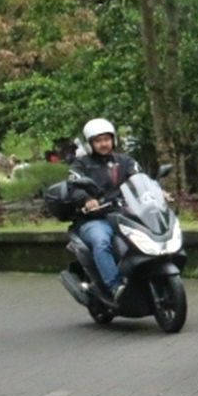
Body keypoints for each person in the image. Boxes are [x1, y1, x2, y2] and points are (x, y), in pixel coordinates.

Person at [67, 118, 141, 304]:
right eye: (98, 140)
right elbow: (74, 187)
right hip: (95, 219)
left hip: (124, 214)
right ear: (90, 143)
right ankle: (115, 286)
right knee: (101, 242)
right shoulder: (81, 165)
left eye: (106, 139)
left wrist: (158, 191)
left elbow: (140, 179)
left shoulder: (125, 162)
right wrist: (87, 200)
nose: (103, 144)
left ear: (113, 139)